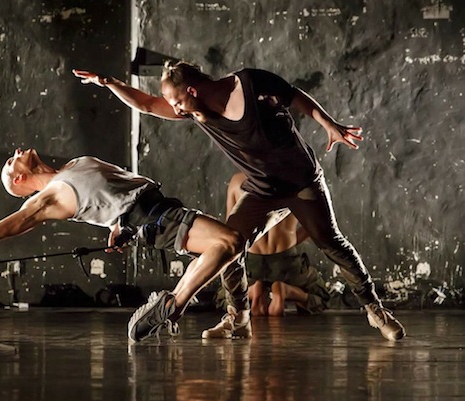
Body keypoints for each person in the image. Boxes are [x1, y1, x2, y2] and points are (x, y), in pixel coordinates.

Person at [73, 62, 406, 341]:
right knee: (226, 245)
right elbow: (147, 104)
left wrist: (328, 124)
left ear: (192, 90)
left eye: (177, 102)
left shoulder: (249, 83)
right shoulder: (197, 112)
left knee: (332, 243)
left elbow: (294, 96)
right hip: (262, 190)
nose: (175, 110)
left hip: (302, 182)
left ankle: (375, 311)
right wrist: (109, 82)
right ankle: (239, 319)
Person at [0, 148, 244, 342]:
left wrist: (116, 227)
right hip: (154, 219)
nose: (15, 153)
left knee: (230, 250)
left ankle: (238, 321)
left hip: (159, 207)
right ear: (19, 180)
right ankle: (172, 305)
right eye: (11, 162)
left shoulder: (74, 166)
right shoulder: (47, 199)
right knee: (230, 241)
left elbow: (112, 193)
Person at [225, 172, 329, 317]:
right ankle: (286, 291)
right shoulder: (297, 178)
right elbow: (315, 224)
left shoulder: (237, 181)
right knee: (321, 298)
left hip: (251, 262)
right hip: (286, 260)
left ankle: (251, 292)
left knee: (223, 297)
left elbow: (229, 231)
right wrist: (291, 240)